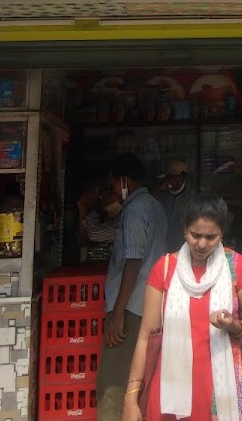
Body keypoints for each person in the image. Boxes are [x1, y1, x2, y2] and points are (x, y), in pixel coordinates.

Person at [123, 193, 242, 421]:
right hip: (169, 389)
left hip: (221, 389)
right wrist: (131, 397)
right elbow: (144, 338)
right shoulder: (165, 268)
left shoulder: (237, 267)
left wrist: (233, 326)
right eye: (195, 235)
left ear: (222, 234)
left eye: (211, 237)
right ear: (184, 230)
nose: (202, 244)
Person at [98, 154, 168, 421]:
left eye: (114, 183)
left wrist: (118, 313)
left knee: (113, 383)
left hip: (131, 308)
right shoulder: (154, 206)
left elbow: (133, 261)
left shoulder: (136, 210)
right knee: (139, 381)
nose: (113, 190)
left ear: (123, 180)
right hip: (148, 304)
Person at [156, 160, 190, 254]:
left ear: (184, 177)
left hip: (183, 252)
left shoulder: (192, 198)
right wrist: (159, 188)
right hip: (161, 251)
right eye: (170, 176)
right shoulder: (160, 196)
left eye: (176, 176)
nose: (173, 179)